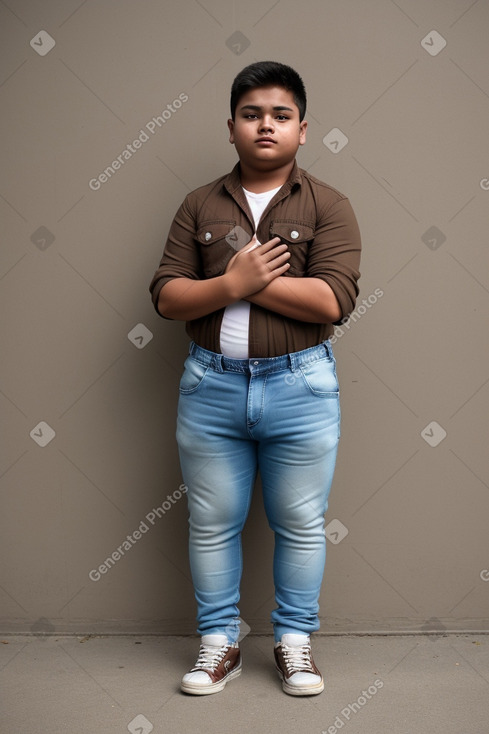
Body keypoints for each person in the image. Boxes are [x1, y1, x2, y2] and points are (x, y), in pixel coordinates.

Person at [149, 61, 361, 696]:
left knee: (300, 523)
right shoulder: (199, 205)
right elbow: (166, 297)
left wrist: (247, 286)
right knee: (212, 522)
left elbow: (334, 303)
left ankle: (294, 644)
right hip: (210, 386)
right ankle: (220, 644)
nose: (264, 125)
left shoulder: (330, 204)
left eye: (280, 115)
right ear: (232, 128)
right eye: (251, 114)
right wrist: (229, 284)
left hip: (303, 387)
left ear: (302, 130)